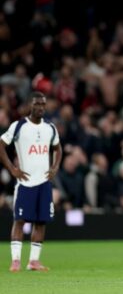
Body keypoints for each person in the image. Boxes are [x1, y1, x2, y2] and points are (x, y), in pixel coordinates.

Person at [0, 92, 62, 272]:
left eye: (43, 104)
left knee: (41, 222)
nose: (40, 107)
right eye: (37, 104)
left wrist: (55, 166)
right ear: (30, 105)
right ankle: (16, 261)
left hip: (44, 182)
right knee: (20, 220)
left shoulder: (50, 127)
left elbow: (58, 148)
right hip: (25, 182)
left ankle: (33, 261)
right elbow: (1, 145)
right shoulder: (19, 126)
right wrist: (12, 169)